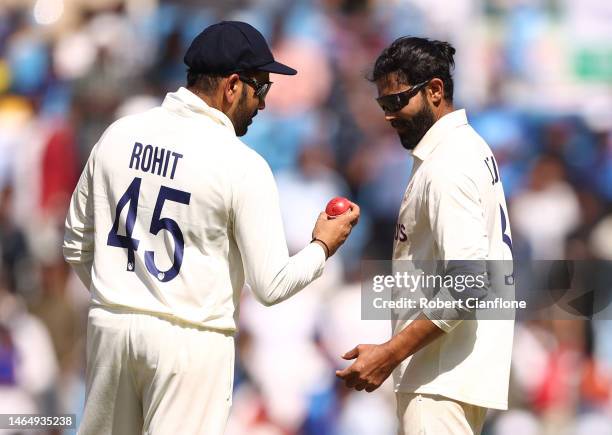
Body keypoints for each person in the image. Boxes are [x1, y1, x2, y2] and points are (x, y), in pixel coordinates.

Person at [63, 21, 359, 435]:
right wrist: (322, 247)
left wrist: (122, 297)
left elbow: (77, 245)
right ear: (233, 85)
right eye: (262, 88)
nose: (264, 105)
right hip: (191, 339)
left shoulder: (118, 134)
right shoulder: (241, 164)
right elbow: (271, 286)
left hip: (111, 325)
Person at [336, 37, 514, 435]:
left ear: (435, 90)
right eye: (383, 105)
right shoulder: (466, 148)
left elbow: (468, 284)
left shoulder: (447, 164)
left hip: (438, 381)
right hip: (452, 374)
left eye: (397, 101)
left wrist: (389, 355)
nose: (388, 115)